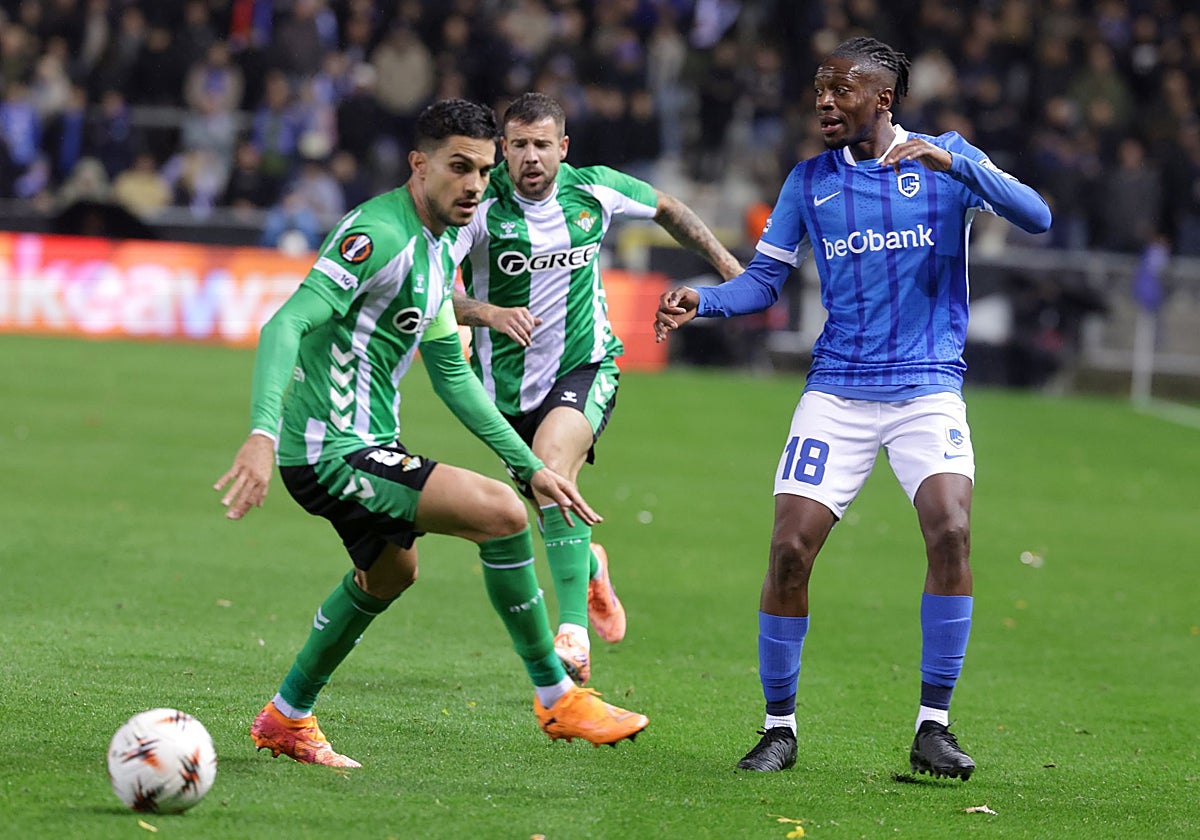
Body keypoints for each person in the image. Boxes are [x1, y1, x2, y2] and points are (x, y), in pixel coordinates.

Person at [654, 37, 1052, 778]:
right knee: (788, 549)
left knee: (952, 531)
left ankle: (934, 725)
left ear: (884, 98)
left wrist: (956, 164)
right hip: (837, 392)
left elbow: (1037, 216)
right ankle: (779, 728)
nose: (825, 103)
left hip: (927, 388)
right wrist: (701, 299)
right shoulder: (810, 182)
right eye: (820, 90)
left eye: (842, 91)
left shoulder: (945, 158)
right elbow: (764, 282)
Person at [214, 99, 649, 769]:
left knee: (390, 574)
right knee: (501, 515)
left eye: (482, 168)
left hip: (366, 442)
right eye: (458, 167)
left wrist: (528, 463)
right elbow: (285, 324)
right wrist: (261, 434)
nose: (475, 184)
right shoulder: (378, 235)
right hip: (332, 447)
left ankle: (286, 716)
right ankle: (556, 695)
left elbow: (451, 374)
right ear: (420, 166)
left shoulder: (445, 244)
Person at [450, 92, 742, 686]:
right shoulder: (479, 209)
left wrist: (734, 271)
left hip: (586, 366)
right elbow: (435, 291)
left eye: (542, 144)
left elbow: (668, 209)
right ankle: (591, 565)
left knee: (555, 471)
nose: (531, 157)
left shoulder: (595, 190)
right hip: (504, 391)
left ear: (563, 147)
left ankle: (573, 636)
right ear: (503, 149)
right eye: (519, 145)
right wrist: (486, 312)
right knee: (550, 502)